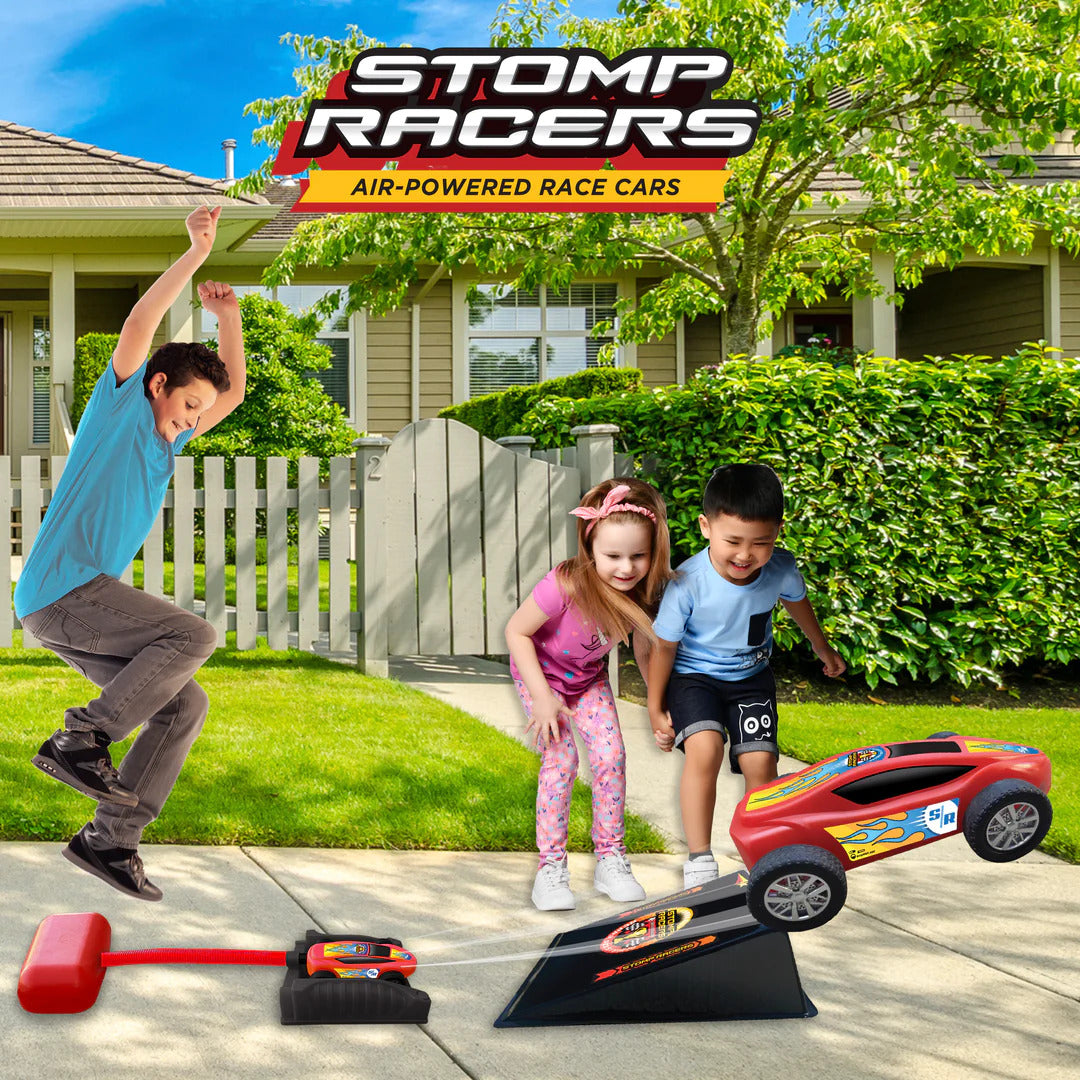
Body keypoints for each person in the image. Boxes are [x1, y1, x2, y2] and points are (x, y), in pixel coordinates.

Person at [16, 205, 246, 902]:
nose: (194, 419)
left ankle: (109, 842)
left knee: (184, 704)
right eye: (188, 405)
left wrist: (229, 316)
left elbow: (231, 393)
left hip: (74, 607)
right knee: (195, 634)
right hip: (64, 590)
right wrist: (194, 258)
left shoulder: (167, 441)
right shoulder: (119, 404)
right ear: (157, 386)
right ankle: (79, 740)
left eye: (200, 415)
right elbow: (139, 327)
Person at [647, 463, 845, 889]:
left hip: (751, 678)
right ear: (706, 526)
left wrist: (821, 646)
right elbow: (664, 647)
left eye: (761, 543)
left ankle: (763, 847)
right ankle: (699, 855)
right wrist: (655, 705)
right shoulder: (688, 582)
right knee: (705, 750)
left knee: (761, 761)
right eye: (732, 541)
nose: (744, 555)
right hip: (694, 679)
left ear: (778, 533)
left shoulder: (780, 569)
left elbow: (797, 602)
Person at [505, 478, 673, 911]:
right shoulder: (565, 584)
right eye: (613, 556)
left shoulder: (639, 590)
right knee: (563, 759)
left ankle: (611, 858)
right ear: (590, 549)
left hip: (586, 681)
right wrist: (542, 699)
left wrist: (657, 705)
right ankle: (551, 868)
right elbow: (516, 632)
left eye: (638, 555)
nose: (626, 567)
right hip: (541, 679)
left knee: (611, 756)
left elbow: (642, 644)